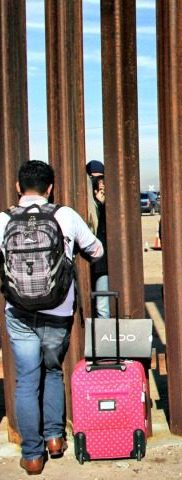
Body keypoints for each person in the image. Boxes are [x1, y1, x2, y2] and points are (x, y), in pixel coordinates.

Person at [0, 160, 103, 475]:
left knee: (27, 380)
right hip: (58, 310)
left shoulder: (3, 219)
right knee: (53, 371)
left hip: (18, 310)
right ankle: (55, 438)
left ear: (19, 188)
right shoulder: (65, 215)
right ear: (50, 188)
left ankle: (32, 456)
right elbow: (97, 251)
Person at [86, 160, 109, 318]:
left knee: (102, 306)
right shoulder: (84, 202)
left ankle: (102, 341)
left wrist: (103, 205)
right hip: (86, 260)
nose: (97, 182)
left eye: (100, 178)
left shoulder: (108, 203)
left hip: (102, 263)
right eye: (92, 178)